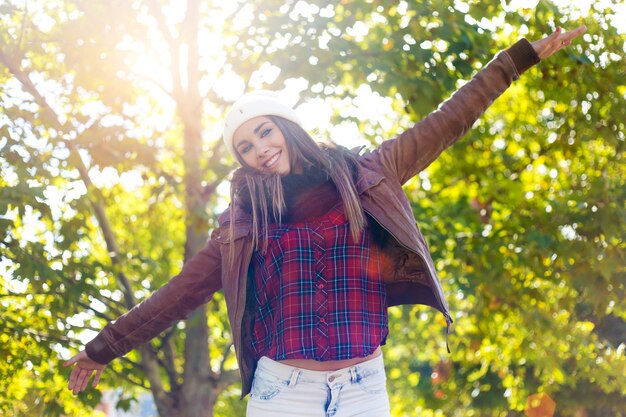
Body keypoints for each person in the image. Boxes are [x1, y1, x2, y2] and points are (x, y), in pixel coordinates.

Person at [64, 25, 586, 416]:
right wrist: (101, 349)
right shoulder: (242, 221)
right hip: (281, 392)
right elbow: (179, 293)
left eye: (265, 133)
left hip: (363, 387)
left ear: (287, 128)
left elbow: (449, 119)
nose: (260, 150)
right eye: (245, 147)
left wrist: (519, 58)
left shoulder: (367, 174)